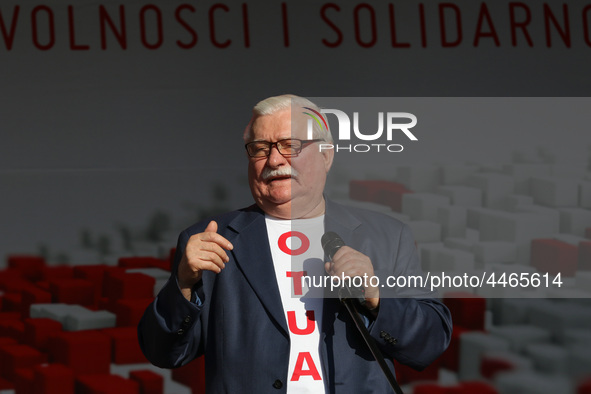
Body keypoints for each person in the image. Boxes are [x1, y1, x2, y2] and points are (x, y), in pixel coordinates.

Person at [138, 94, 452, 393]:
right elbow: (163, 353)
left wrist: (376, 299)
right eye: (260, 148)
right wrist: (183, 286)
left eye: (291, 145)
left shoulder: (386, 235)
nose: (274, 159)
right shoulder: (211, 239)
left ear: (326, 155)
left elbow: (431, 340)